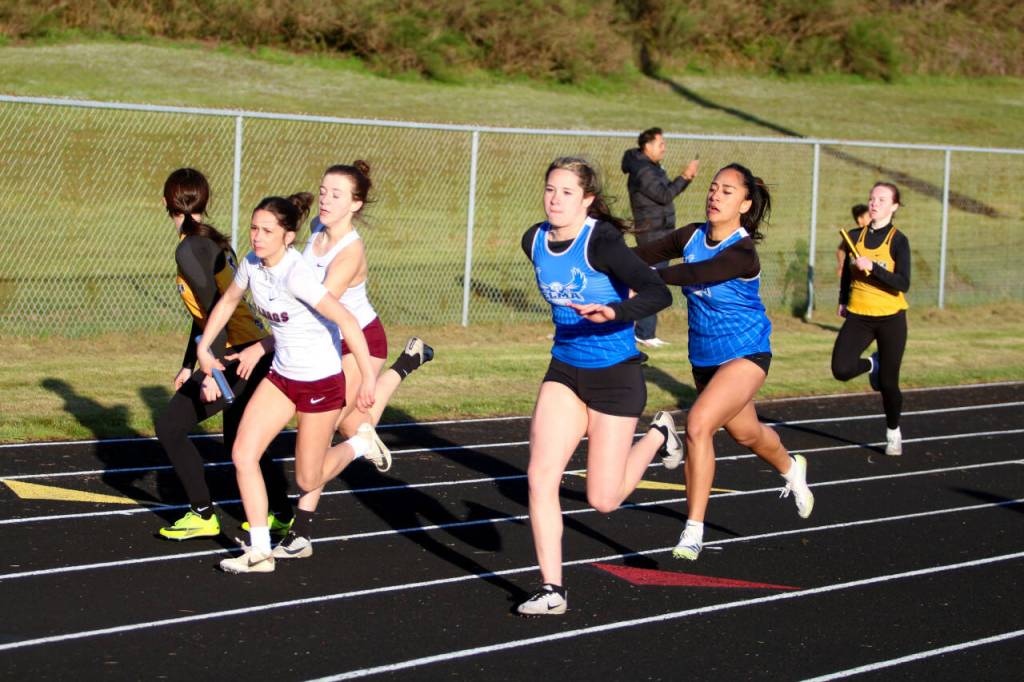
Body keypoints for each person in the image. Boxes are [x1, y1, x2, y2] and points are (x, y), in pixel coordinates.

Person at [516, 157, 680, 616]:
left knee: (603, 500)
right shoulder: (534, 240)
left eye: (567, 192)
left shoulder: (601, 240)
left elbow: (656, 292)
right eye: (550, 189)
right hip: (565, 371)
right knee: (539, 477)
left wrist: (615, 312)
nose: (555, 199)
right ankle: (553, 589)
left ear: (587, 200)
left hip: (615, 378)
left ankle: (660, 434)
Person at [196, 192, 389, 574]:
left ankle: (358, 443)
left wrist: (367, 376)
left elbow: (348, 322)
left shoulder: (298, 274)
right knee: (242, 453)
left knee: (307, 478)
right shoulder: (252, 263)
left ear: (287, 237)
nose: (257, 236)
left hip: (320, 382)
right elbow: (229, 300)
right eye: (253, 228)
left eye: (267, 230)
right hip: (283, 376)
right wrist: (205, 349)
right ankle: (260, 551)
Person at [632, 163, 815, 562]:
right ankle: (791, 467)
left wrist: (648, 279)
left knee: (698, 425)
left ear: (745, 203)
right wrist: (601, 260)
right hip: (704, 358)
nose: (715, 195)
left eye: (727, 191)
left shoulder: (742, 252)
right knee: (746, 434)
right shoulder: (693, 234)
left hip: (747, 352)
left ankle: (692, 531)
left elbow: (699, 271)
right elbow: (643, 255)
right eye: (714, 188)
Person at [270, 160, 434, 560]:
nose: (326, 199)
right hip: (322, 342)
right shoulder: (313, 232)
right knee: (348, 423)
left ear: (355, 204)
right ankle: (408, 363)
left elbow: (318, 304)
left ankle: (302, 531)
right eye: (323, 191)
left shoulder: (350, 251)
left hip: (358, 341)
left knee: (328, 430)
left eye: (336, 194)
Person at [154, 168, 293, 541]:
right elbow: (205, 315)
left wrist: (211, 371)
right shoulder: (212, 241)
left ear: (168, 202)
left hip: (237, 356)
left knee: (169, 427)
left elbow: (216, 310)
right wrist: (188, 364)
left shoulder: (189, 248)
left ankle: (202, 514)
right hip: (248, 352)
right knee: (240, 441)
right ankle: (281, 513)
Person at [831, 182, 911, 456]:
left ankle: (893, 431)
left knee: (889, 383)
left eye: (881, 199)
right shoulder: (855, 236)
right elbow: (846, 274)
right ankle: (871, 364)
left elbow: (903, 282)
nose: (874, 203)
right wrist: (843, 299)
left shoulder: (898, 241)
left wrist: (873, 267)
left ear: (894, 206)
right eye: (872, 198)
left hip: (891, 318)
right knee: (841, 369)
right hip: (860, 316)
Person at [620, 126, 700, 348]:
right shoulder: (644, 171)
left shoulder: (651, 167)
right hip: (651, 233)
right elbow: (664, 195)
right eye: (660, 144)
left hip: (659, 231)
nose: (664, 148)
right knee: (651, 281)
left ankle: (643, 330)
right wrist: (685, 176)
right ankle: (643, 333)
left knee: (648, 280)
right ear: (647, 146)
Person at [835, 203, 871, 278]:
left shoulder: (875, 232)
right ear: (860, 219)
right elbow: (840, 250)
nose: (872, 218)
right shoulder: (853, 235)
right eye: (869, 216)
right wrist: (841, 264)